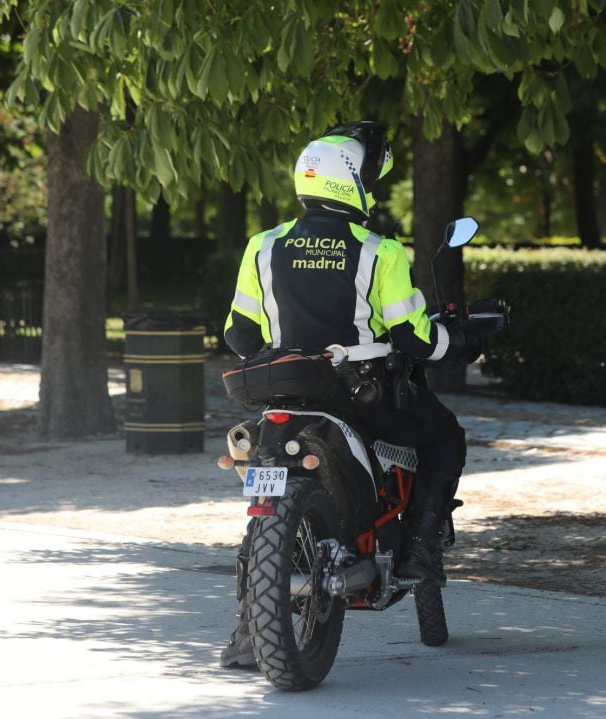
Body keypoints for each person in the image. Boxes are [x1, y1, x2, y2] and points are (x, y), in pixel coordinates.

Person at [219, 121, 482, 668]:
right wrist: (460, 341)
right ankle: (418, 550)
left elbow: (239, 335)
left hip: (282, 395)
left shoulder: (263, 246)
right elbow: (414, 337)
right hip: (359, 396)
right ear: (352, 184)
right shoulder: (378, 251)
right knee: (444, 436)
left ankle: (249, 634)